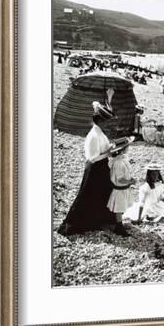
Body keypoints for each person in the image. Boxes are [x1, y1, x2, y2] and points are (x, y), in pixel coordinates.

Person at [57, 101, 116, 236]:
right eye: (105, 121)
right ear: (99, 120)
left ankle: (98, 221)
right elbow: (92, 158)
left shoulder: (99, 132)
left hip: (101, 167)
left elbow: (102, 150)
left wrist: (111, 148)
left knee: (102, 193)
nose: (107, 123)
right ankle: (73, 224)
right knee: (87, 195)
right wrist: (109, 153)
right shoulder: (93, 135)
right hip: (94, 168)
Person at [106, 136, 136, 236]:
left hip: (124, 189)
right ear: (123, 149)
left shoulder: (122, 159)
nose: (128, 148)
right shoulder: (118, 163)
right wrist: (130, 182)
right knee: (119, 209)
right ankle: (118, 227)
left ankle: (119, 223)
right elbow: (119, 179)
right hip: (119, 189)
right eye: (127, 147)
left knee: (122, 207)